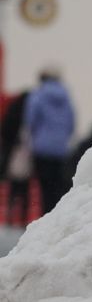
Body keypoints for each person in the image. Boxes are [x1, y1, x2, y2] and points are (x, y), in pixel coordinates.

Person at [24, 69, 76, 215]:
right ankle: (56, 216)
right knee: (57, 186)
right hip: (60, 149)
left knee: (44, 187)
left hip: (41, 148)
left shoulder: (38, 96)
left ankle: (45, 217)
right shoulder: (66, 98)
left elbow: (30, 121)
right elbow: (71, 124)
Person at [0, 89, 32, 227]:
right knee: (25, 189)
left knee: (13, 188)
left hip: (12, 154)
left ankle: (10, 217)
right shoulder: (29, 112)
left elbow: (6, 130)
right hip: (27, 155)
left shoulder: (13, 110)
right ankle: (23, 219)